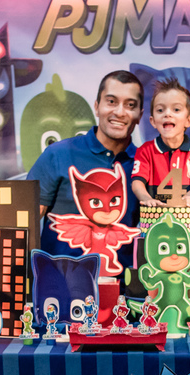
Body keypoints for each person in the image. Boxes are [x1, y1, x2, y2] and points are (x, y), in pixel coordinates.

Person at [28, 70, 143, 262]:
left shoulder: (144, 163)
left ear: (140, 115)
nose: (119, 112)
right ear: (97, 107)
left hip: (122, 280)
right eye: (111, 101)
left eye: (130, 105)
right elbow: (24, 223)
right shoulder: (58, 154)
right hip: (58, 279)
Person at [131, 77, 190, 207]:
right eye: (160, 110)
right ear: (152, 121)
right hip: (156, 217)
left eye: (176, 109)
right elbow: (137, 182)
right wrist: (146, 198)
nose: (167, 114)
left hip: (188, 218)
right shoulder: (145, 150)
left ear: (188, 121)